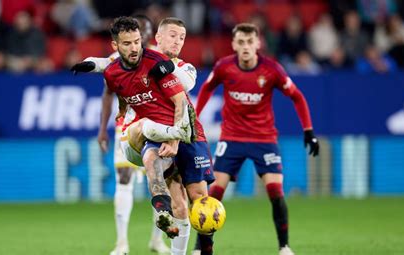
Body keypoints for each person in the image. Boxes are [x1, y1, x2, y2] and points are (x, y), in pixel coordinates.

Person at [72, 16, 200, 255]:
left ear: (148, 37)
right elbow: (107, 70)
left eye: (140, 39)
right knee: (125, 174)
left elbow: (182, 93)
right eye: (129, 42)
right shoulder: (120, 65)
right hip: (134, 129)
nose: (135, 47)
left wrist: (165, 64)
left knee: (169, 182)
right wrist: (105, 124)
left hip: (166, 131)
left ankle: (162, 222)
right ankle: (121, 243)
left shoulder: (160, 62)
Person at [194, 23, 320, 255]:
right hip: (231, 138)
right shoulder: (224, 67)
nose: (245, 47)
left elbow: (298, 97)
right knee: (214, 194)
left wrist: (308, 131)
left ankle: (284, 247)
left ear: (258, 44)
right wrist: (194, 120)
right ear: (233, 44)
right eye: (240, 42)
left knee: (275, 191)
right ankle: (199, 247)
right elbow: (206, 89)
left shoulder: (272, 69)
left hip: (264, 138)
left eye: (249, 42)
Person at [102, 16, 216, 255]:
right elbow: (113, 73)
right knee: (178, 203)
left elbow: (181, 100)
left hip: (189, 135)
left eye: (182, 38)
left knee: (199, 199)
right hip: (157, 134)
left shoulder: (186, 68)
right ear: (157, 37)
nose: (177, 41)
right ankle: (162, 227)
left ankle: (206, 249)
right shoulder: (136, 60)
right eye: (173, 35)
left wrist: (175, 138)